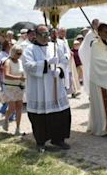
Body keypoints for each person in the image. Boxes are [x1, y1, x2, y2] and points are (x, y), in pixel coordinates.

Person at [22, 24, 71, 152]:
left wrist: (59, 69)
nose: (45, 37)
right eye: (42, 35)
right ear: (36, 35)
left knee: (60, 113)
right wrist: (46, 64)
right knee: (40, 117)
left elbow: (63, 61)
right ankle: (41, 142)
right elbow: (28, 66)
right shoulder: (29, 49)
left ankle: (58, 139)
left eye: (46, 34)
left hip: (55, 86)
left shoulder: (54, 47)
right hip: (39, 89)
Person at [2, 44, 26, 135]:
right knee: (12, 107)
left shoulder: (20, 61)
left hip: (19, 86)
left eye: (20, 53)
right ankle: (6, 118)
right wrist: (19, 78)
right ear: (13, 52)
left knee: (19, 106)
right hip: (9, 87)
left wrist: (23, 79)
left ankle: (18, 128)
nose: (19, 55)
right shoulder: (8, 62)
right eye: (18, 53)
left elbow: (22, 72)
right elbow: (6, 75)